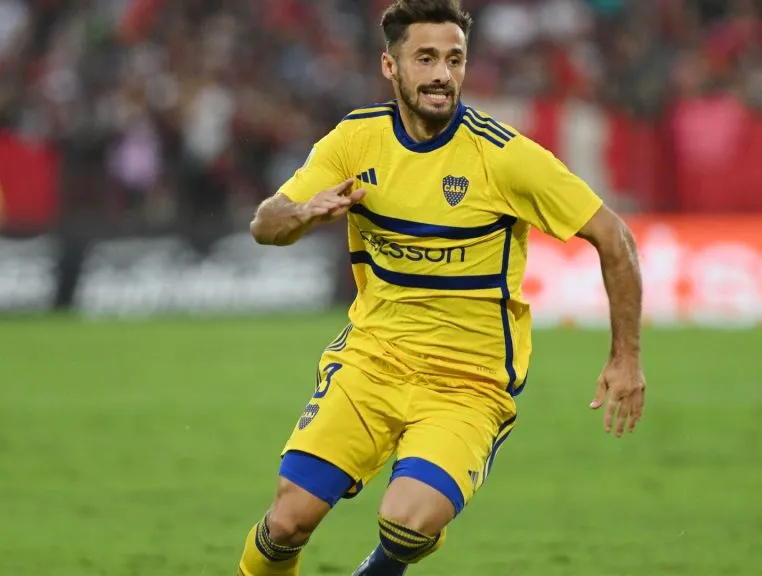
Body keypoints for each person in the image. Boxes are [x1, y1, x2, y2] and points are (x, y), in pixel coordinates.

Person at [238, 1, 646, 574]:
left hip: (467, 383)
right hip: (371, 363)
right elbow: (266, 224)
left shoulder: (502, 156)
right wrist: (305, 213)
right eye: (425, 58)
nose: (442, 74)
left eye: (454, 59)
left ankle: (388, 561)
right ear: (390, 66)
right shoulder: (355, 141)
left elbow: (615, 238)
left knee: (406, 521)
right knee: (286, 522)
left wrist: (625, 358)